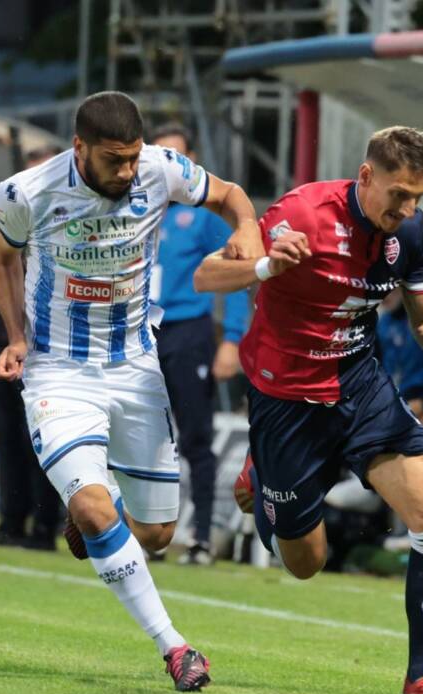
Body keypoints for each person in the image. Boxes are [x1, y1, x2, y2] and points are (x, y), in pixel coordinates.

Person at [0, 91, 263, 691]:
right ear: (79, 147)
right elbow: (4, 260)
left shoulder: (161, 168)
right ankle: (176, 648)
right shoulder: (25, 193)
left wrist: (246, 228)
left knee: (158, 534)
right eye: (114, 160)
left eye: (133, 157)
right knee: (94, 508)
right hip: (58, 371)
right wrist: (15, 337)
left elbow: (229, 194)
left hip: (137, 368)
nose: (127, 170)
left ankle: (95, 521)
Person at [196, 126, 423, 694]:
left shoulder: (411, 232)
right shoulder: (301, 213)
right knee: (306, 564)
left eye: (418, 197)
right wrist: (267, 264)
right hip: (287, 398)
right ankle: (264, 475)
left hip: (360, 385)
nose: (408, 209)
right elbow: (207, 276)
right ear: (366, 176)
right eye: (399, 195)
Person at [149, 124, 250, 566]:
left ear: (190, 162)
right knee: (144, 438)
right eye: (161, 155)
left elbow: (239, 274)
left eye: (178, 155)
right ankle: (149, 534)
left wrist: (232, 339)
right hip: (139, 334)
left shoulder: (204, 216)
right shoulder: (134, 211)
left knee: (195, 437)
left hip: (188, 333)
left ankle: (201, 537)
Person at [0, 146, 62, 550]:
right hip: (5, 351)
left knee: (38, 439)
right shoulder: (10, 222)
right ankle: (10, 522)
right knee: (6, 435)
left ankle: (45, 527)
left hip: (46, 355)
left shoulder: (67, 231)